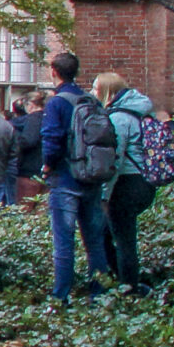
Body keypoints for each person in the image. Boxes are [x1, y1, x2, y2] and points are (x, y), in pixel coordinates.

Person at [40, 50, 116, 303]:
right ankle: (99, 293)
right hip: (91, 177)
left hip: (65, 178)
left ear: (54, 71)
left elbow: (52, 139)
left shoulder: (57, 102)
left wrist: (48, 166)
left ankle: (61, 296)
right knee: (94, 241)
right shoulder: (90, 100)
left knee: (64, 242)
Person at [97, 71, 160, 292]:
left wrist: (104, 194)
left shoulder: (119, 118)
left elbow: (115, 158)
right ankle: (124, 280)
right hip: (144, 181)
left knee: (123, 240)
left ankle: (130, 288)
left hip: (126, 184)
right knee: (107, 233)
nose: (94, 94)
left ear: (108, 92)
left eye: (96, 89)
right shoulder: (140, 111)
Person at [14, 89, 49, 204]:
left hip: (29, 172)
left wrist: (15, 138)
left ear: (30, 104)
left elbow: (28, 141)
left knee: (24, 210)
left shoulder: (34, 118)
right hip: (45, 170)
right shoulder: (48, 117)